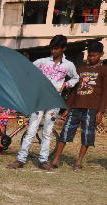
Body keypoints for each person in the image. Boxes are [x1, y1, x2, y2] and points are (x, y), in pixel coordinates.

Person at [8, 35, 79, 170]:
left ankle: (43, 160)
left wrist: (66, 84)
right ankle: (20, 159)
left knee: (47, 131)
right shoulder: (42, 62)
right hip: (39, 99)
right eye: (52, 48)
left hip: (54, 102)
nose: (53, 51)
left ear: (64, 48)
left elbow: (76, 78)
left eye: (57, 48)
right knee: (31, 129)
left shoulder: (69, 65)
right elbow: (28, 70)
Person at [52, 40, 107, 171]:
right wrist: (67, 107)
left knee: (87, 135)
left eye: (94, 55)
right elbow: (74, 91)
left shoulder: (104, 70)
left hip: (92, 108)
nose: (91, 57)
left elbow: (105, 92)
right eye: (89, 55)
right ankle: (56, 159)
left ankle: (78, 162)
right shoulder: (80, 69)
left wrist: (101, 111)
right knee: (65, 132)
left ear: (101, 54)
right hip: (75, 106)